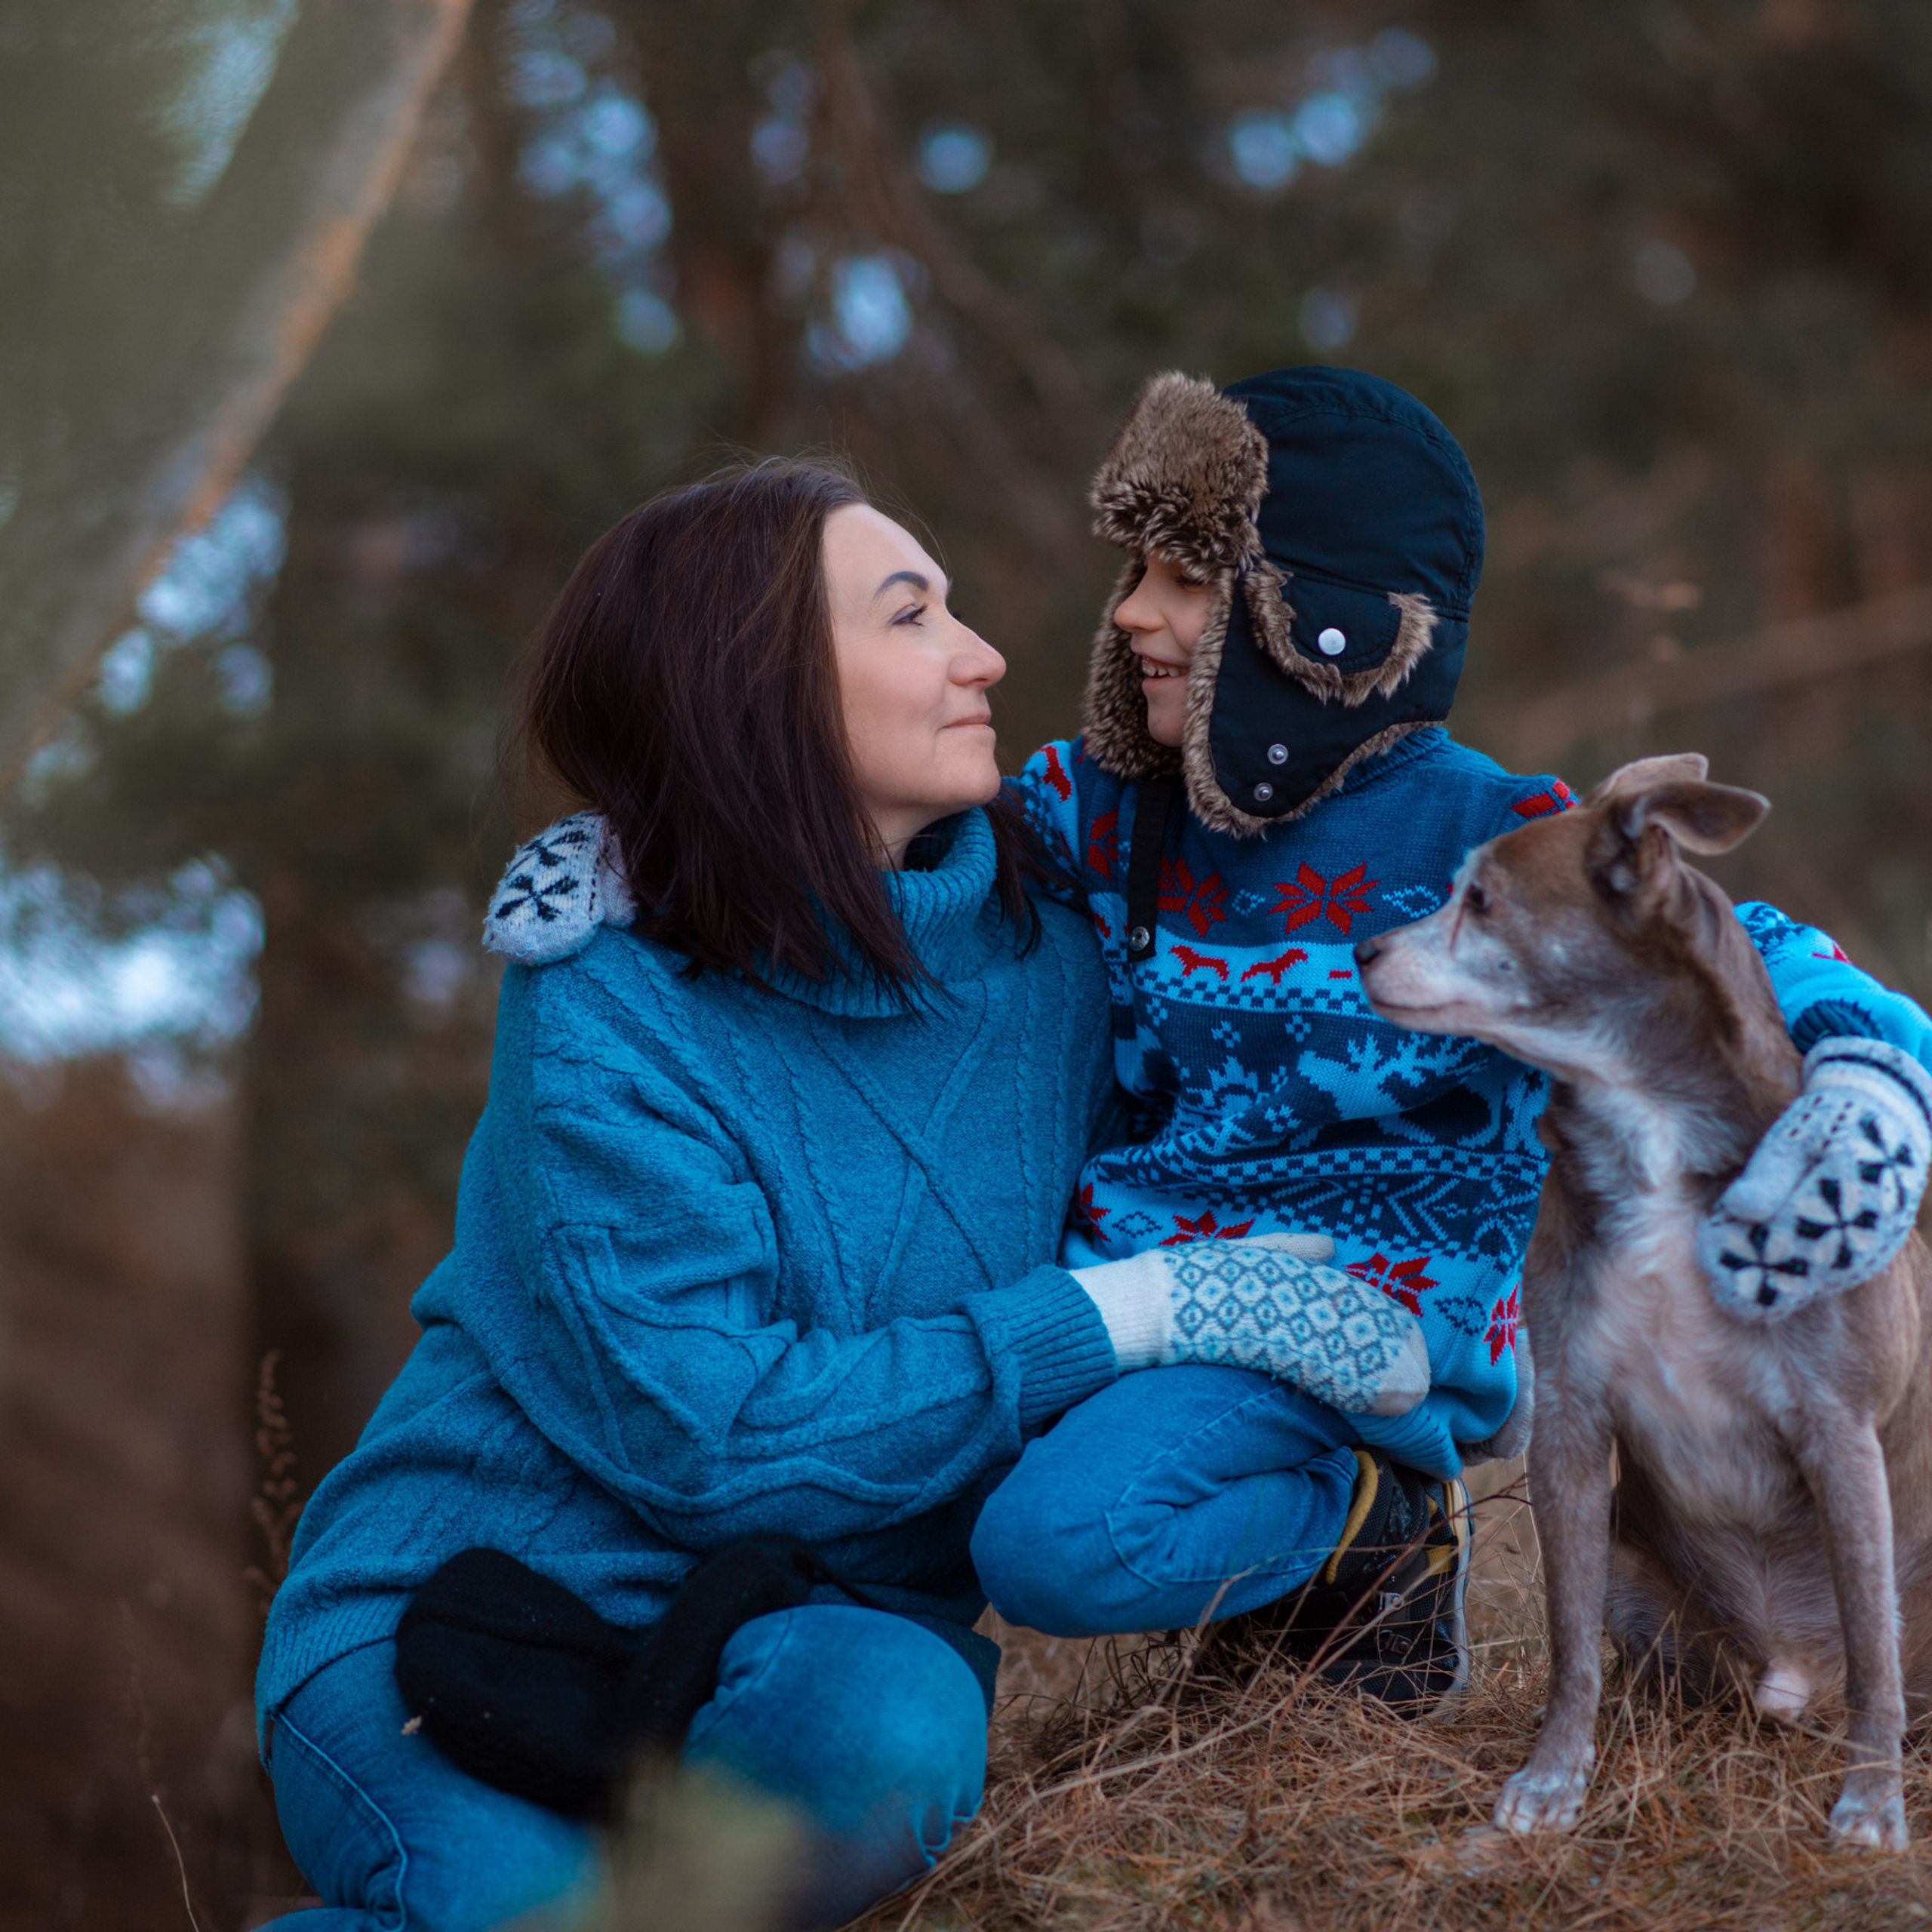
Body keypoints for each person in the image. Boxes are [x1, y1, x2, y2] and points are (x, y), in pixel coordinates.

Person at [252, 460, 1406, 1932]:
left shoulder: (1062, 964)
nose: (982, 652)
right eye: (911, 613)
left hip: (797, 1644)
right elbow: (710, 1437)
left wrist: (1797, 1046)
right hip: (451, 1626)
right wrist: (1119, 1314)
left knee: (894, 1725)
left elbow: (1386, 900)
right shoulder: (610, 1001)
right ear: (757, 687)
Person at [971, 365, 1932, 1709]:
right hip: (1134, 1302)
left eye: (1188, 581)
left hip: (1375, 1332)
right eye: (1136, 572)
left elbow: (1750, 943)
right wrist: (627, 865)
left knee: (1053, 1546)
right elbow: (883, 866)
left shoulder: (1487, 837)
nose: (1132, 613)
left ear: (1326, 627)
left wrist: (1873, 1071)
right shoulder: (1105, 812)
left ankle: (1371, 1528)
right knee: (910, 1438)